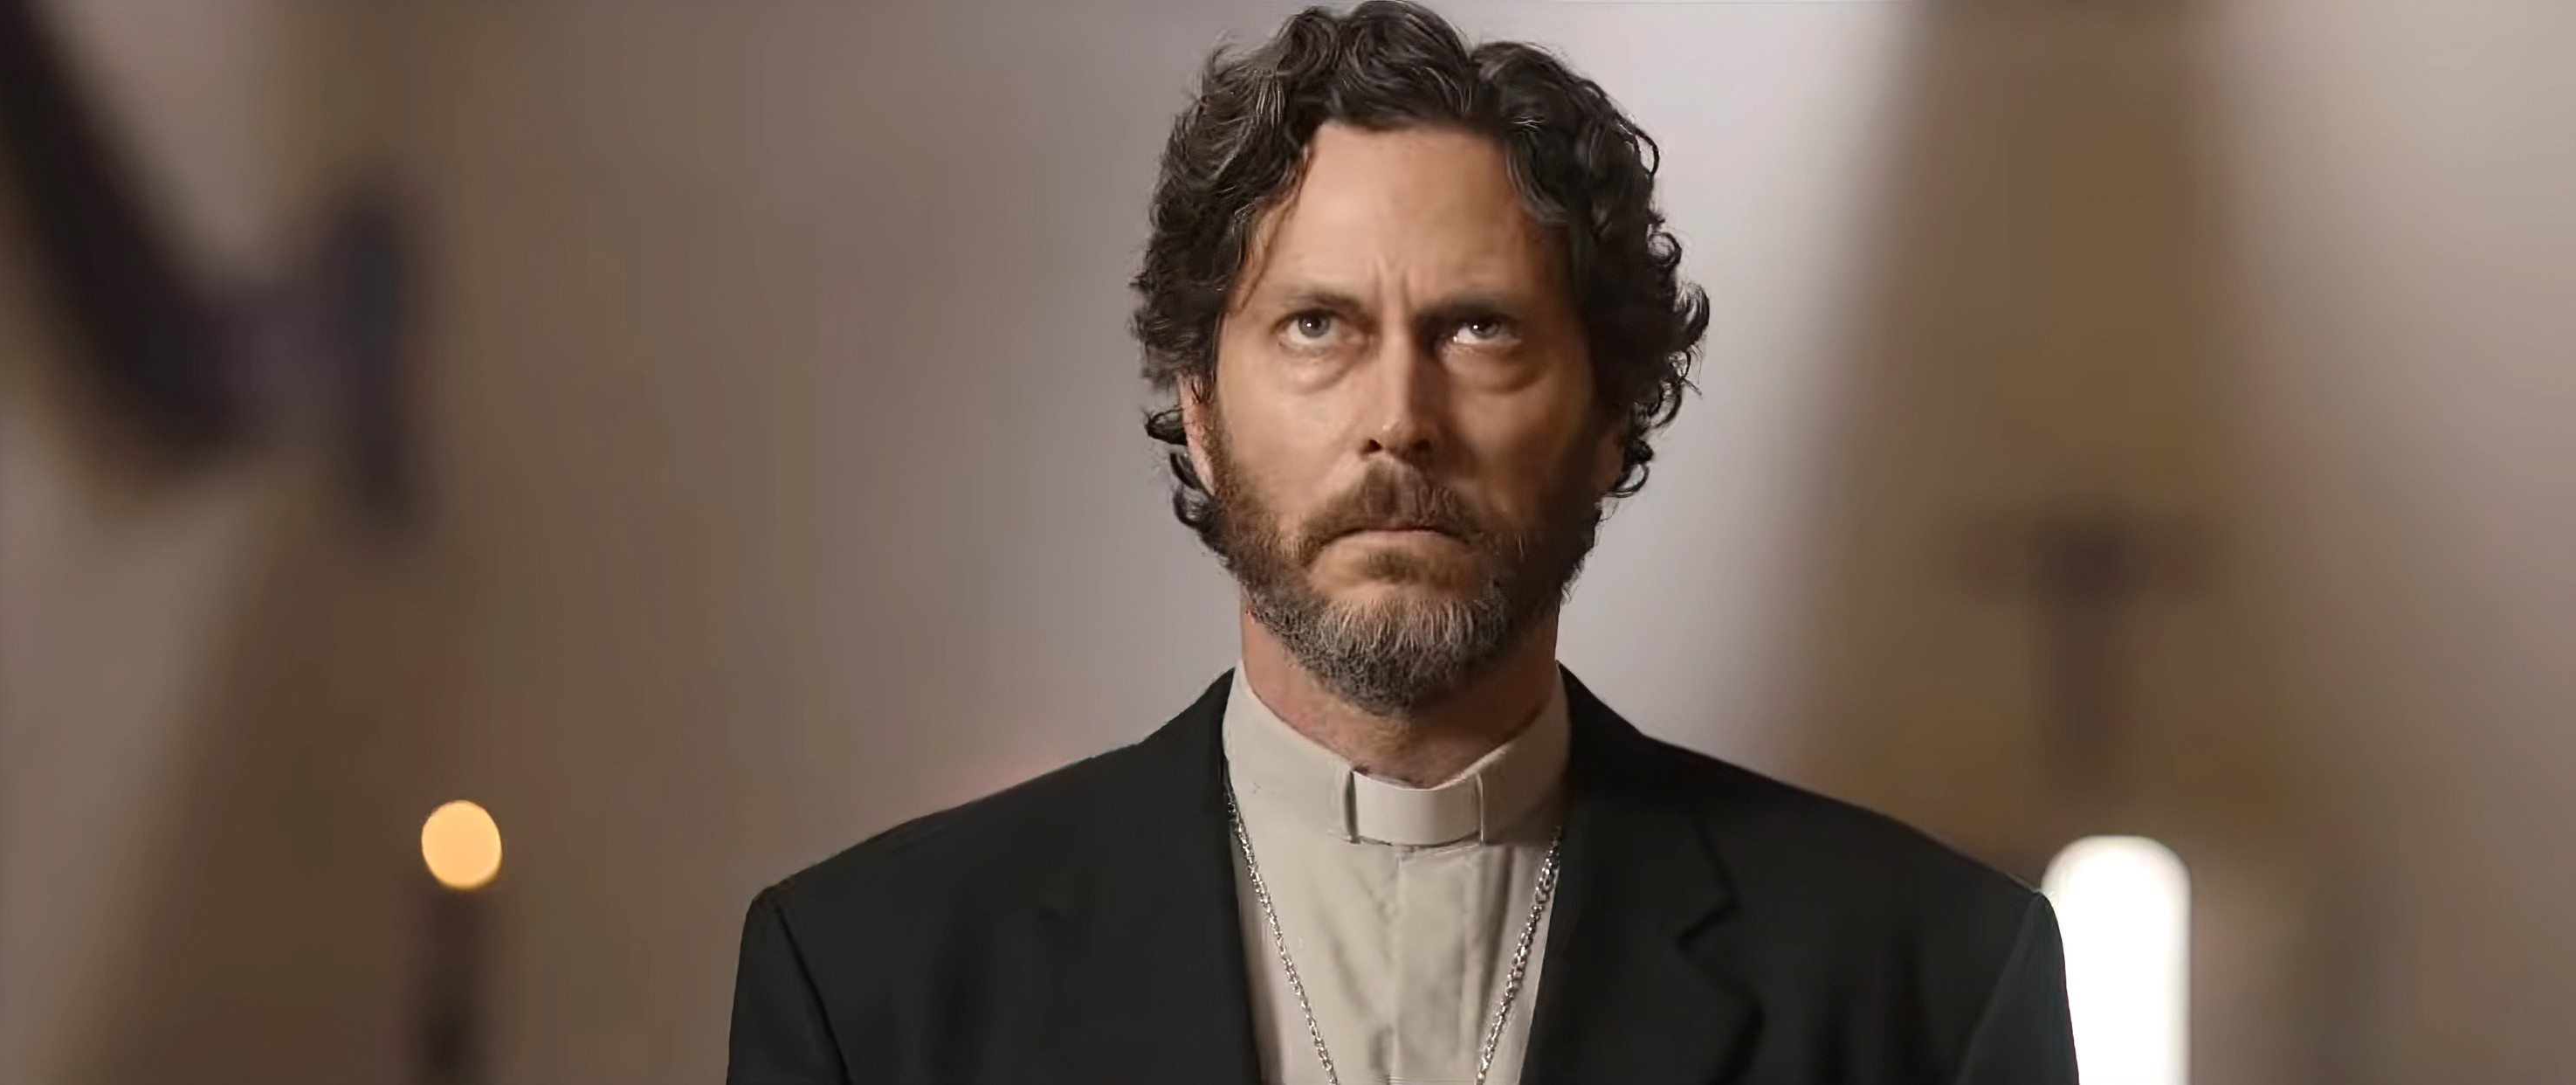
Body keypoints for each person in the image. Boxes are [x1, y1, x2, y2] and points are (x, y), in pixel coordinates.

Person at [726, 3, 2078, 1082]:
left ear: (1611, 414)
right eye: (1318, 325)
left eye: (1478, 328)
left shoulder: (1933, 981)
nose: (1399, 419)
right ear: (1200, 409)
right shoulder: (871, 987)